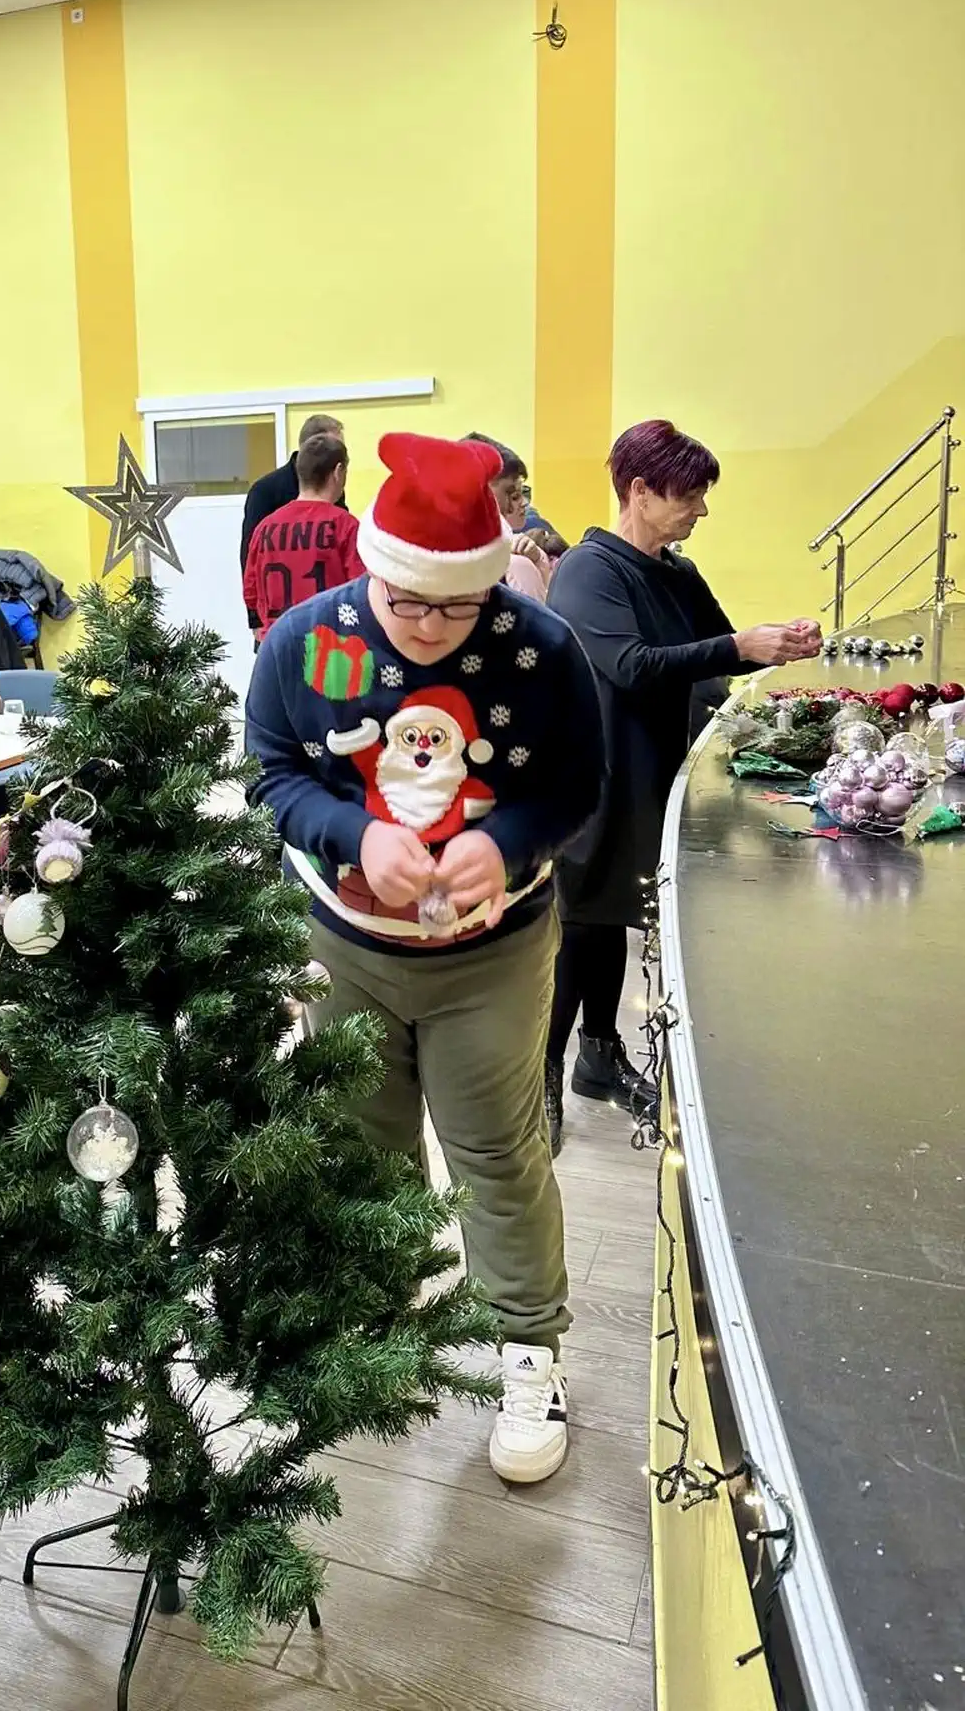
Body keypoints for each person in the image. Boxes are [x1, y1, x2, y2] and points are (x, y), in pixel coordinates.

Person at [247, 432, 605, 1485]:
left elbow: (576, 784)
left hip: (491, 953)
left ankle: (530, 1348)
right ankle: (387, 1304)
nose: (430, 626)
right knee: (367, 1138)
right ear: (374, 566)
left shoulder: (538, 647)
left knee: (497, 1149)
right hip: (345, 943)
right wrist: (356, 836)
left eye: (456, 606)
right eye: (407, 602)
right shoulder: (311, 642)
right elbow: (271, 770)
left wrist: (503, 841)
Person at [545, 420, 820, 1154]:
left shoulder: (677, 571)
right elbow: (631, 664)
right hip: (601, 777)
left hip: (655, 774)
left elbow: (719, 654)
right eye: (690, 495)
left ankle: (599, 1057)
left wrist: (779, 650)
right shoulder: (589, 570)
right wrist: (738, 645)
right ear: (640, 490)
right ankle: (542, 1072)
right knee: (582, 925)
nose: (700, 509)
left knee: (616, 915)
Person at [241, 431, 362, 640]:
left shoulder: (264, 529)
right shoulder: (346, 526)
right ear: (338, 471)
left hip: (276, 645)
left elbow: (251, 593)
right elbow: (363, 593)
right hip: (331, 651)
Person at [464, 433, 551, 604]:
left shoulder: (522, 557)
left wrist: (538, 562)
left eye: (520, 493)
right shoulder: (516, 567)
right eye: (512, 494)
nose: (522, 503)